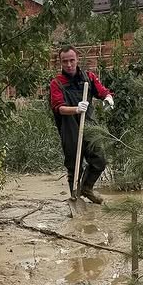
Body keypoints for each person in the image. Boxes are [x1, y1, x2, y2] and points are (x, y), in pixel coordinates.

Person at [48, 45, 115, 203]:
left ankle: (87, 188)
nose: (69, 65)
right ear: (60, 63)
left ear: (77, 59)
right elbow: (59, 108)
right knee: (73, 165)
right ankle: (75, 197)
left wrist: (108, 98)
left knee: (99, 160)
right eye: (65, 62)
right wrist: (76, 109)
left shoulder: (89, 77)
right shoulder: (57, 83)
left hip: (89, 126)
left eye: (72, 60)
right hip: (69, 128)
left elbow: (103, 91)